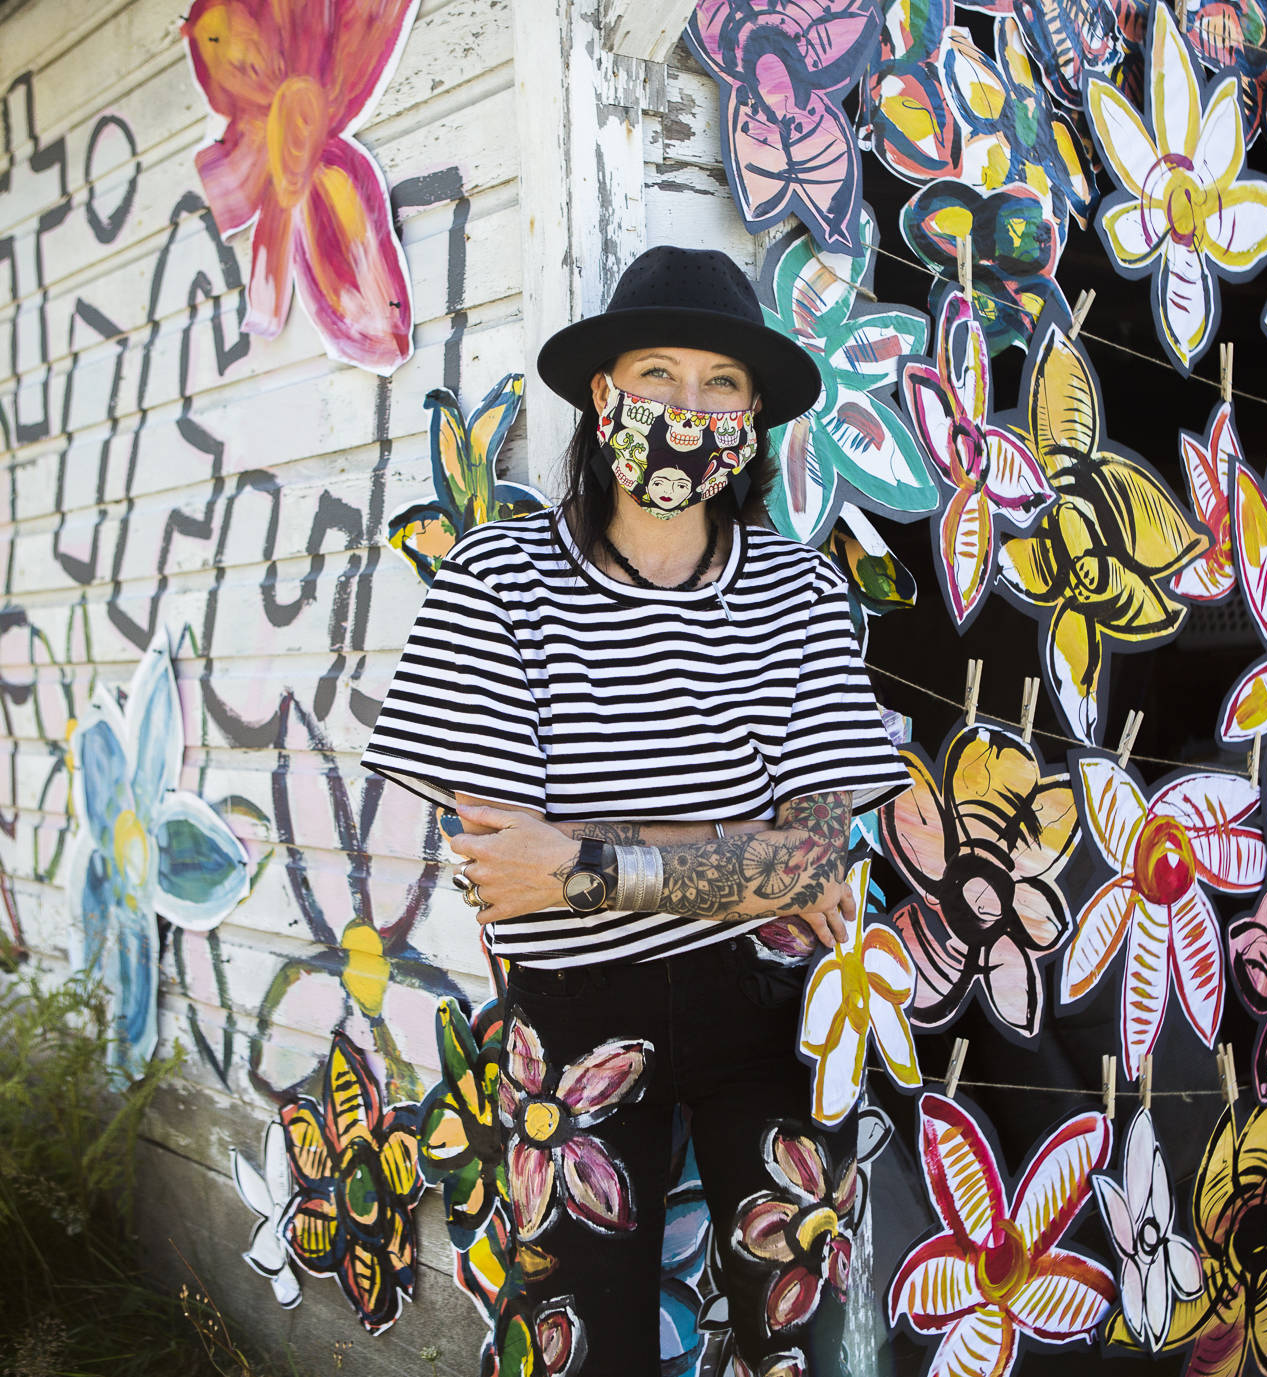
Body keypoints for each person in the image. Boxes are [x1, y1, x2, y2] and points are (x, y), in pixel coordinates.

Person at [359, 246, 909, 1375]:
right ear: (602, 395)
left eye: (720, 384)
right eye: (655, 374)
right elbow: (504, 862)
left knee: (800, 1333)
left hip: (770, 1013)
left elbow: (813, 865)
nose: (685, 407)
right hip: (569, 1027)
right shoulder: (496, 581)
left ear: (753, 416)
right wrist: (718, 857)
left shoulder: (798, 592)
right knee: (579, 1347)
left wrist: (593, 864)